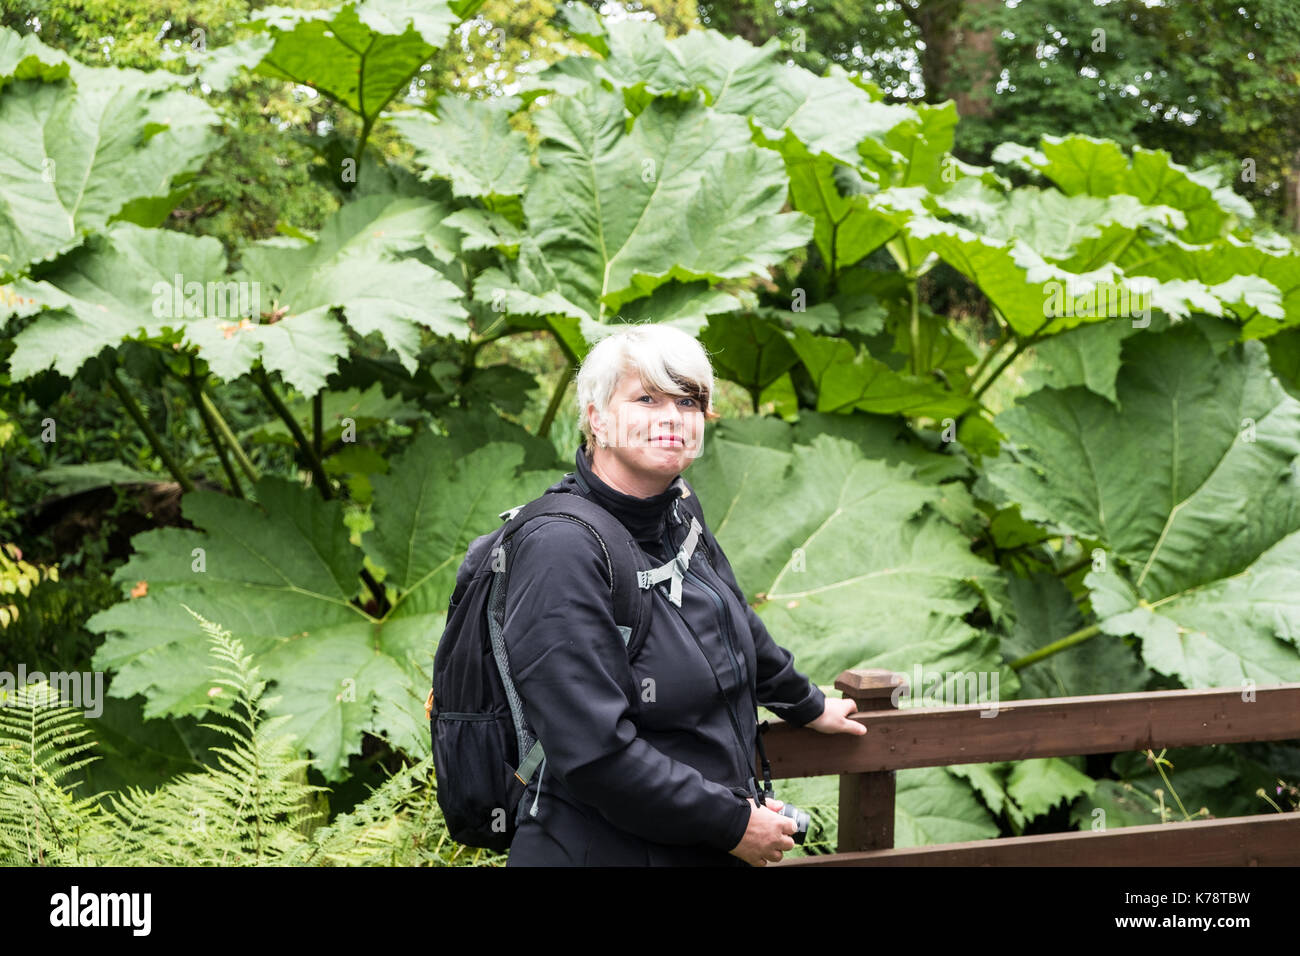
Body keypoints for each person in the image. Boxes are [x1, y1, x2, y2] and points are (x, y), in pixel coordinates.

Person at [503, 323, 866, 867]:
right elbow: (594, 753)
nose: (672, 417)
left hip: (689, 842)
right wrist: (734, 823)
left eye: (689, 400)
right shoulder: (560, 549)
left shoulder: (675, 509)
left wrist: (805, 702)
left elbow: (729, 620)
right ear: (596, 418)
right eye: (646, 399)